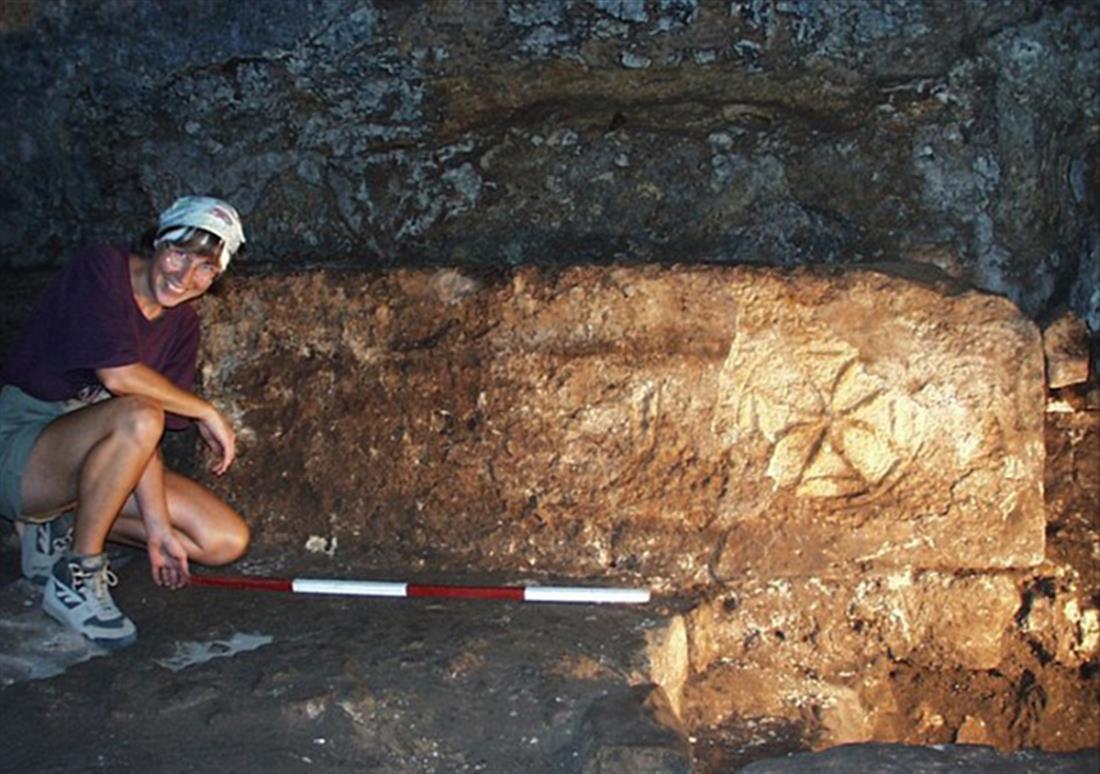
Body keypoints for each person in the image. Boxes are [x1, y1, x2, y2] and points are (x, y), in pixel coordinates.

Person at [0, 196, 251, 649]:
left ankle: (56, 525)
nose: (185, 276)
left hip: (100, 450)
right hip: (22, 443)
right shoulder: (102, 269)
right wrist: (205, 409)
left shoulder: (182, 324)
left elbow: (142, 438)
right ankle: (78, 572)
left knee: (222, 540)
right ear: (157, 241)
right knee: (139, 410)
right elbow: (119, 380)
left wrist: (157, 530)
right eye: (179, 253)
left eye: (206, 268)